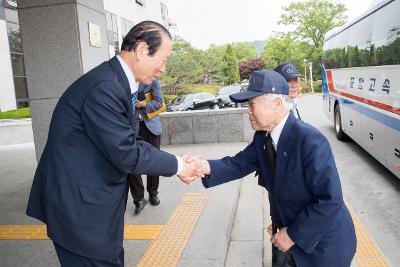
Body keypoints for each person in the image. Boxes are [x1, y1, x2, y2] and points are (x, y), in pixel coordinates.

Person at [26, 21, 199, 267]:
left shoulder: (116, 82)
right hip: (80, 213)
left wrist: (176, 163)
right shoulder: (104, 88)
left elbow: (130, 140)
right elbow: (126, 152)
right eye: (163, 59)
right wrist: (179, 166)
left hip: (94, 210)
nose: (163, 68)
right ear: (141, 50)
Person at [193, 70, 356, 267]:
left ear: (277, 104)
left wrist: (293, 235)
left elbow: (330, 200)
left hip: (322, 248)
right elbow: (238, 164)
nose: (248, 111)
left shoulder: (310, 140)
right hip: (286, 239)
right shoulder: (263, 137)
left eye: (252, 104)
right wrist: (202, 166)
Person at [128, 80, 164, 214]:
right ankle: (138, 198)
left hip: (150, 127)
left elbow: (159, 102)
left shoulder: (152, 81)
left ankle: (153, 193)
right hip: (131, 127)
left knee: (154, 161)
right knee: (131, 162)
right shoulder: (125, 82)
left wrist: (143, 104)